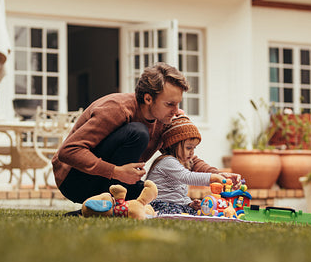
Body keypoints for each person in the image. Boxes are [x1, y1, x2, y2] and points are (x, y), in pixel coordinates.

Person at [52, 62, 235, 214]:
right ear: (148, 98)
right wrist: (116, 171)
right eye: (169, 104)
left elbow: (183, 153)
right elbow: (68, 152)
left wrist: (217, 175)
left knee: (156, 197)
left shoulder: (163, 119)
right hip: (75, 180)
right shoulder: (117, 108)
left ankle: (107, 209)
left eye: (178, 103)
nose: (176, 110)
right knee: (138, 132)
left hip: (116, 181)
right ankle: (110, 203)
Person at [146, 114, 239, 216]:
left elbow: (179, 193)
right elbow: (187, 177)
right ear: (174, 145)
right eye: (189, 148)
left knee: (200, 213)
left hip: (176, 205)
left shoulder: (182, 163)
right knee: (178, 214)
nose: (192, 152)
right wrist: (214, 177)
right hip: (161, 205)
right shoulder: (168, 161)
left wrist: (189, 203)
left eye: (194, 148)